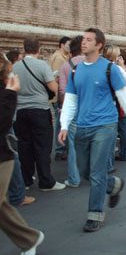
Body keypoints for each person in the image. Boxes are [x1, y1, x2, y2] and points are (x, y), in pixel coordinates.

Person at [59, 28, 126, 232]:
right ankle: (113, 185)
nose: (84, 43)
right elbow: (71, 99)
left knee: (97, 171)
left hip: (105, 126)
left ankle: (95, 215)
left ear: (99, 45)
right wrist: (64, 125)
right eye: (83, 39)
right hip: (82, 125)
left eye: (89, 40)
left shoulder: (110, 69)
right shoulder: (75, 70)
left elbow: (124, 96)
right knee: (84, 172)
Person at [0, 55, 45, 255]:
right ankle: (29, 239)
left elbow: (2, 124)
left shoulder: (6, 91)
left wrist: (10, 94)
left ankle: (29, 239)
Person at [13, 38, 65, 191]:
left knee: (24, 145)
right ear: (39, 49)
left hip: (20, 111)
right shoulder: (42, 65)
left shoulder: (15, 67)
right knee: (42, 146)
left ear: (24, 48)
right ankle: (46, 181)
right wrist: (55, 80)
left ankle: (26, 180)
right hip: (39, 110)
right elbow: (53, 87)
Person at [59, 36, 85, 188]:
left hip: (73, 108)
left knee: (73, 144)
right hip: (91, 108)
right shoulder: (93, 64)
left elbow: (63, 90)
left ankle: (74, 178)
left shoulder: (65, 66)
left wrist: (65, 109)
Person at [49, 36, 71, 161]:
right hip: (59, 94)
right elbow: (57, 77)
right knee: (60, 121)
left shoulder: (60, 57)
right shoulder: (59, 58)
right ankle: (60, 149)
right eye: (68, 44)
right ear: (62, 45)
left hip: (58, 93)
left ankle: (61, 148)